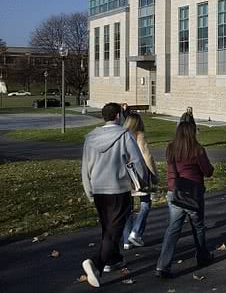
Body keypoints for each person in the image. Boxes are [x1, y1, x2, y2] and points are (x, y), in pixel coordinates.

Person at [81, 103, 147, 288]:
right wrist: (142, 181)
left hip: (99, 189)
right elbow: (136, 160)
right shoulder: (124, 135)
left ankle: (114, 258)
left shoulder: (90, 138)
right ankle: (96, 262)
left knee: (107, 228)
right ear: (118, 116)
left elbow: (85, 167)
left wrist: (89, 191)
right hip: (118, 189)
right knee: (114, 230)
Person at [156, 121, 214, 278]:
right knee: (198, 226)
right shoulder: (197, 150)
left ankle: (163, 265)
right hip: (193, 193)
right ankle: (202, 256)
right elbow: (208, 171)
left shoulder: (171, 149)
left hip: (174, 192)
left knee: (173, 229)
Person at [122, 113, 158, 250]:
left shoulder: (123, 135)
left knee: (128, 209)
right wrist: (154, 174)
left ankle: (126, 240)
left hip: (126, 175)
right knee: (145, 204)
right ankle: (136, 232)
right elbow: (147, 155)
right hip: (140, 175)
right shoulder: (139, 135)